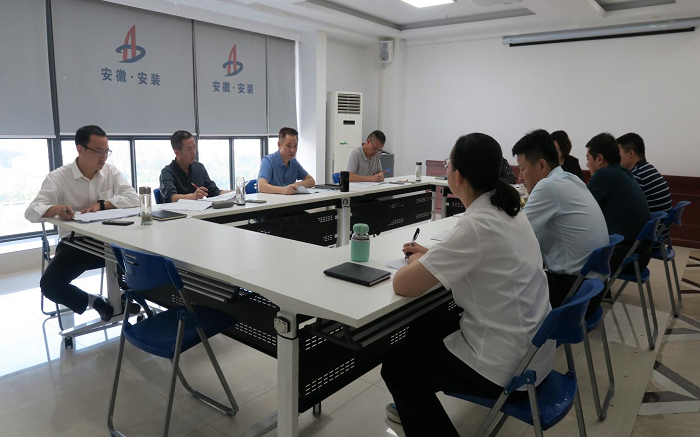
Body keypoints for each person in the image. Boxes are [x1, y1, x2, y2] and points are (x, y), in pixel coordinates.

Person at [381, 133, 555, 437]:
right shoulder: (508, 211)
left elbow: (403, 284)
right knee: (428, 323)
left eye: (448, 164)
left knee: (398, 368)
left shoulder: (476, 224)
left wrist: (416, 262)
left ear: (458, 176)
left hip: (505, 364)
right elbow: (479, 256)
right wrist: (432, 257)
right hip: (535, 353)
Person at [25, 125, 139, 322]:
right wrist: (57, 209)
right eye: (98, 151)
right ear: (80, 149)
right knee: (50, 285)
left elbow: (134, 198)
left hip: (113, 240)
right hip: (77, 243)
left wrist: (103, 204)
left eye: (106, 152)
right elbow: (31, 211)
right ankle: (93, 301)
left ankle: (124, 295)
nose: (103, 157)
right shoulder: (58, 177)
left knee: (145, 262)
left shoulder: (111, 172)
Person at [512, 130, 608, 315]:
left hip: (572, 294)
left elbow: (514, 233)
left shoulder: (548, 185)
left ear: (541, 165)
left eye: (522, 168)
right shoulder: (571, 178)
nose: (521, 177)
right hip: (591, 291)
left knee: (498, 288)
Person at [586, 133, 651, 279]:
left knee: (570, 250)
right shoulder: (624, 173)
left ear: (599, 158)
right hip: (639, 255)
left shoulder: (603, 175)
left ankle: (584, 291)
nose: (587, 165)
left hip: (626, 258)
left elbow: (580, 208)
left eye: (588, 159)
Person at [159, 130, 230, 203]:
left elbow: (213, 191)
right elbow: (171, 197)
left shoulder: (199, 167)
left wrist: (233, 193)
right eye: (189, 149)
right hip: (177, 210)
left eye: (194, 147)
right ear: (177, 153)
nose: (194, 152)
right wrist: (193, 196)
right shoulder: (167, 172)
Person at [618, 133, 673, 216]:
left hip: (650, 224)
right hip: (659, 223)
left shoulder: (636, 176)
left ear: (630, 153)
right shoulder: (648, 169)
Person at [258, 127, 315, 194]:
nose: (292, 150)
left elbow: (311, 181)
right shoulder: (268, 161)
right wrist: (282, 190)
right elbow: (261, 186)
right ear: (279, 145)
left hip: (288, 200)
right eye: (288, 146)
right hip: (270, 200)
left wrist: (295, 185)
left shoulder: (294, 162)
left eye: (295, 146)